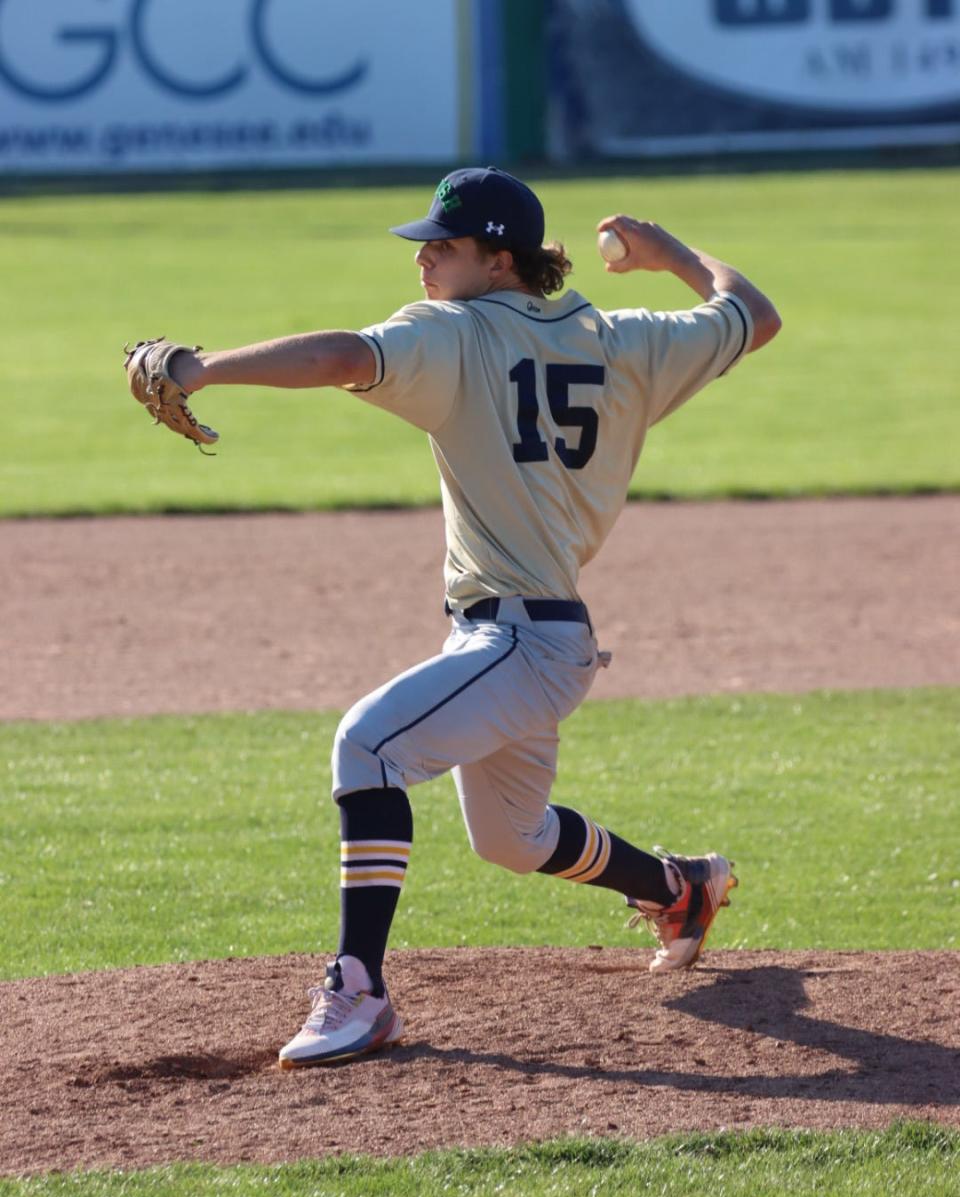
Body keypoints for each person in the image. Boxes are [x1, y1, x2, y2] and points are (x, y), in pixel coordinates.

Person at [168, 166, 781, 1068]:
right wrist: (670, 255)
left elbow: (342, 356)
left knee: (367, 748)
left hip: (522, 640)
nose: (423, 261)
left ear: (500, 260)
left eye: (442, 246)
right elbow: (751, 314)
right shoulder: (625, 340)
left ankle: (359, 991)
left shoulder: (455, 334)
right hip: (536, 636)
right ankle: (678, 888)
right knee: (512, 838)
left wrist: (200, 367)